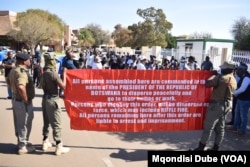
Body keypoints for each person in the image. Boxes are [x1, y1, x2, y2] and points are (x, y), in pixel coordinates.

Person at [192, 61, 237, 151]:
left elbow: (207, 84)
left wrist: (213, 74)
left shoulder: (222, 78)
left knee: (208, 128)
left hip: (216, 105)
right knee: (220, 128)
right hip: (226, 105)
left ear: (228, 69)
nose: (221, 69)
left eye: (223, 68)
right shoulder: (233, 79)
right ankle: (216, 148)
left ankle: (201, 148)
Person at [40, 52, 70, 155]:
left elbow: (41, 86)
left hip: (45, 99)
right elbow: (63, 86)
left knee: (46, 121)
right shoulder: (53, 73)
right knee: (57, 123)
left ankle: (45, 141)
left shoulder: (44, 72)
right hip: (53, 100)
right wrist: (65, 74)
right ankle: (59, 146)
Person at [7, 53, 35, 154]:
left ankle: (22, 142)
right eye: (28, 60)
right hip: (22, 102)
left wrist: (14, 91)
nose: (30, 61)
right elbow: (21, 86)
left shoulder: (13, 70)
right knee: (25, 123)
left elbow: (8, 81)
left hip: (16, 100)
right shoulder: (22, 72)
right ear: (24, 61)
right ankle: (23, 146)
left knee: (19, 123)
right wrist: (26, 99)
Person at [229, 62, 250, 136]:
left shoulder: (247, 78)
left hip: (245, 100)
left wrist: (234, 93)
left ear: (243, 70)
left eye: (239, 70)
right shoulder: (242, 76)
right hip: (240, 99)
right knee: (237, 114)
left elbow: (242, 89)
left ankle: (242, 130)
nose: (237, 71)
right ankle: (235, 127)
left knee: (243, 116)